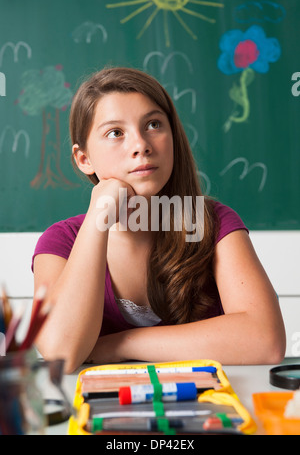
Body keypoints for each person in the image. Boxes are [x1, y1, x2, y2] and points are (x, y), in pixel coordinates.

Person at [31, 67, 285, 373]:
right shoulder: (60, 241)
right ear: (84, 159)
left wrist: (119, 344)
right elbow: (61, 353)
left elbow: (266, 340)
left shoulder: (213, 222)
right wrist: (99, 216)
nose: (141, 145)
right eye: (116, 133)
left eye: (153, 124)